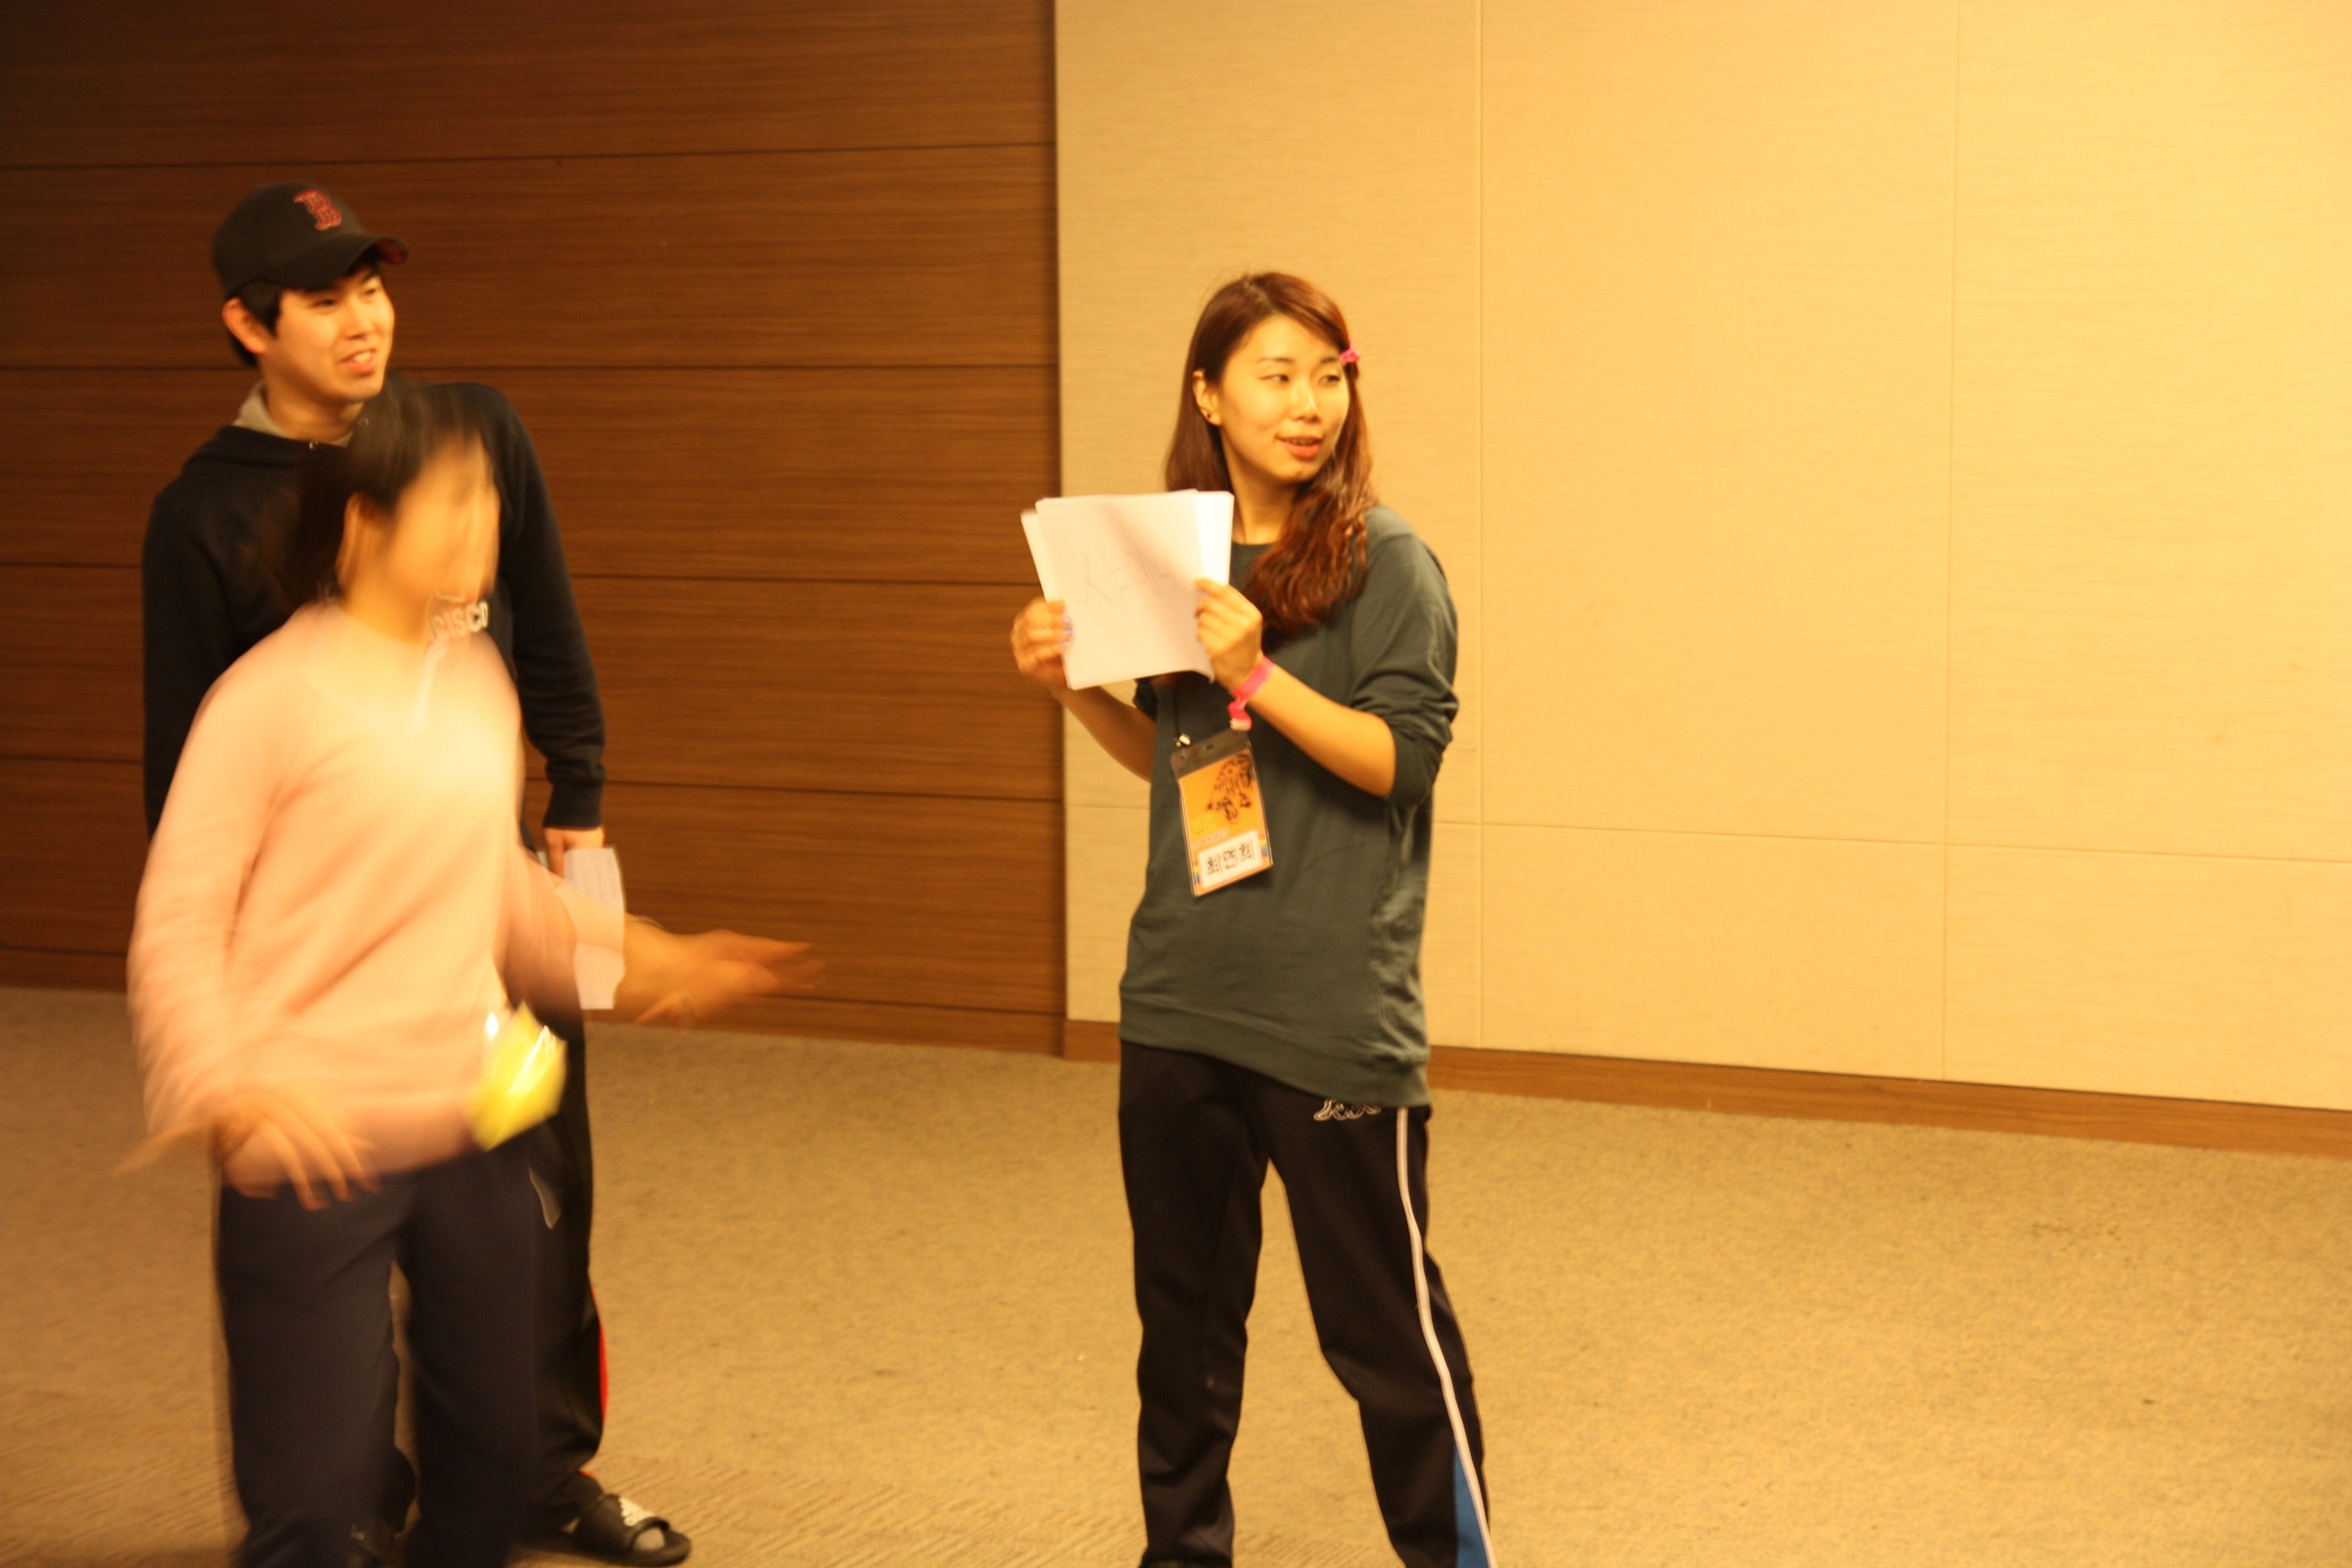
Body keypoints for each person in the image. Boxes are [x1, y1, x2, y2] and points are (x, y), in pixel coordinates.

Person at [128, 379, 815, 1568]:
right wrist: (218, 1081)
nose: (485, 520)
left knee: (495, 1462)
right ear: (364, 526)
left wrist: (640, 953)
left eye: (490, 495)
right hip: (312, 1135)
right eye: (454, 497)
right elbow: (180, 912)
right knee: (316, 1501)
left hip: (470, 1117)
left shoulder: (477, 685)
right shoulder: (265, 700)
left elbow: (491, 887)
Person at [139, 182, 684, 1563]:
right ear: (250, 326)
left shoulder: (469, 430)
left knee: (534, 1210)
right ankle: (361, 1498)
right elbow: (187, 811)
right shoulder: (207, 515)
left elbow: (548, 625)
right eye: (324, 298)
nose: (364, 320)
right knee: (326, 1329)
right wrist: (221, 1051)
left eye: (373, 287)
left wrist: (584, 828)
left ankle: (544, 1466)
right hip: (318, 976)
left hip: (487, 905)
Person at [1011, 274, 1495, 1568]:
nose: (1308, 403)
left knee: (1385, 1340)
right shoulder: (1171, 554)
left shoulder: (1390, 561)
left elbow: (1400, 764)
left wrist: (1254, 671)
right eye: (1276, 375)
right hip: (1181, 998)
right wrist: (1072, 689)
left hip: (1330, 1014)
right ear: (1208, 395)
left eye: (1328, 374)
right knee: (1181, 1336)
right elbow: (1177, 758)